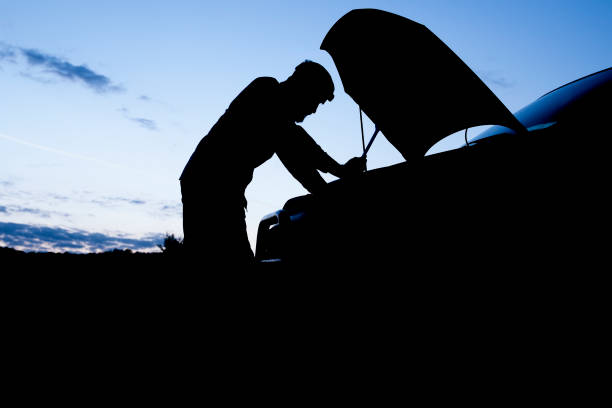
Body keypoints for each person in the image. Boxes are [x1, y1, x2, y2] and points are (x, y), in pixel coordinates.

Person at [180, 60, 366, 266]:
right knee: (226, 259)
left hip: (218, 187)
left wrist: (340, 171)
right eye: (316, 100)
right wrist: (334, 183)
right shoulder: (266, 90)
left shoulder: (279, 114)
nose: (313, 110)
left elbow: (298, 145)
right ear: (304, 88)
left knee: (215, 257)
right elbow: (296, 157)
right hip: (208, 184)